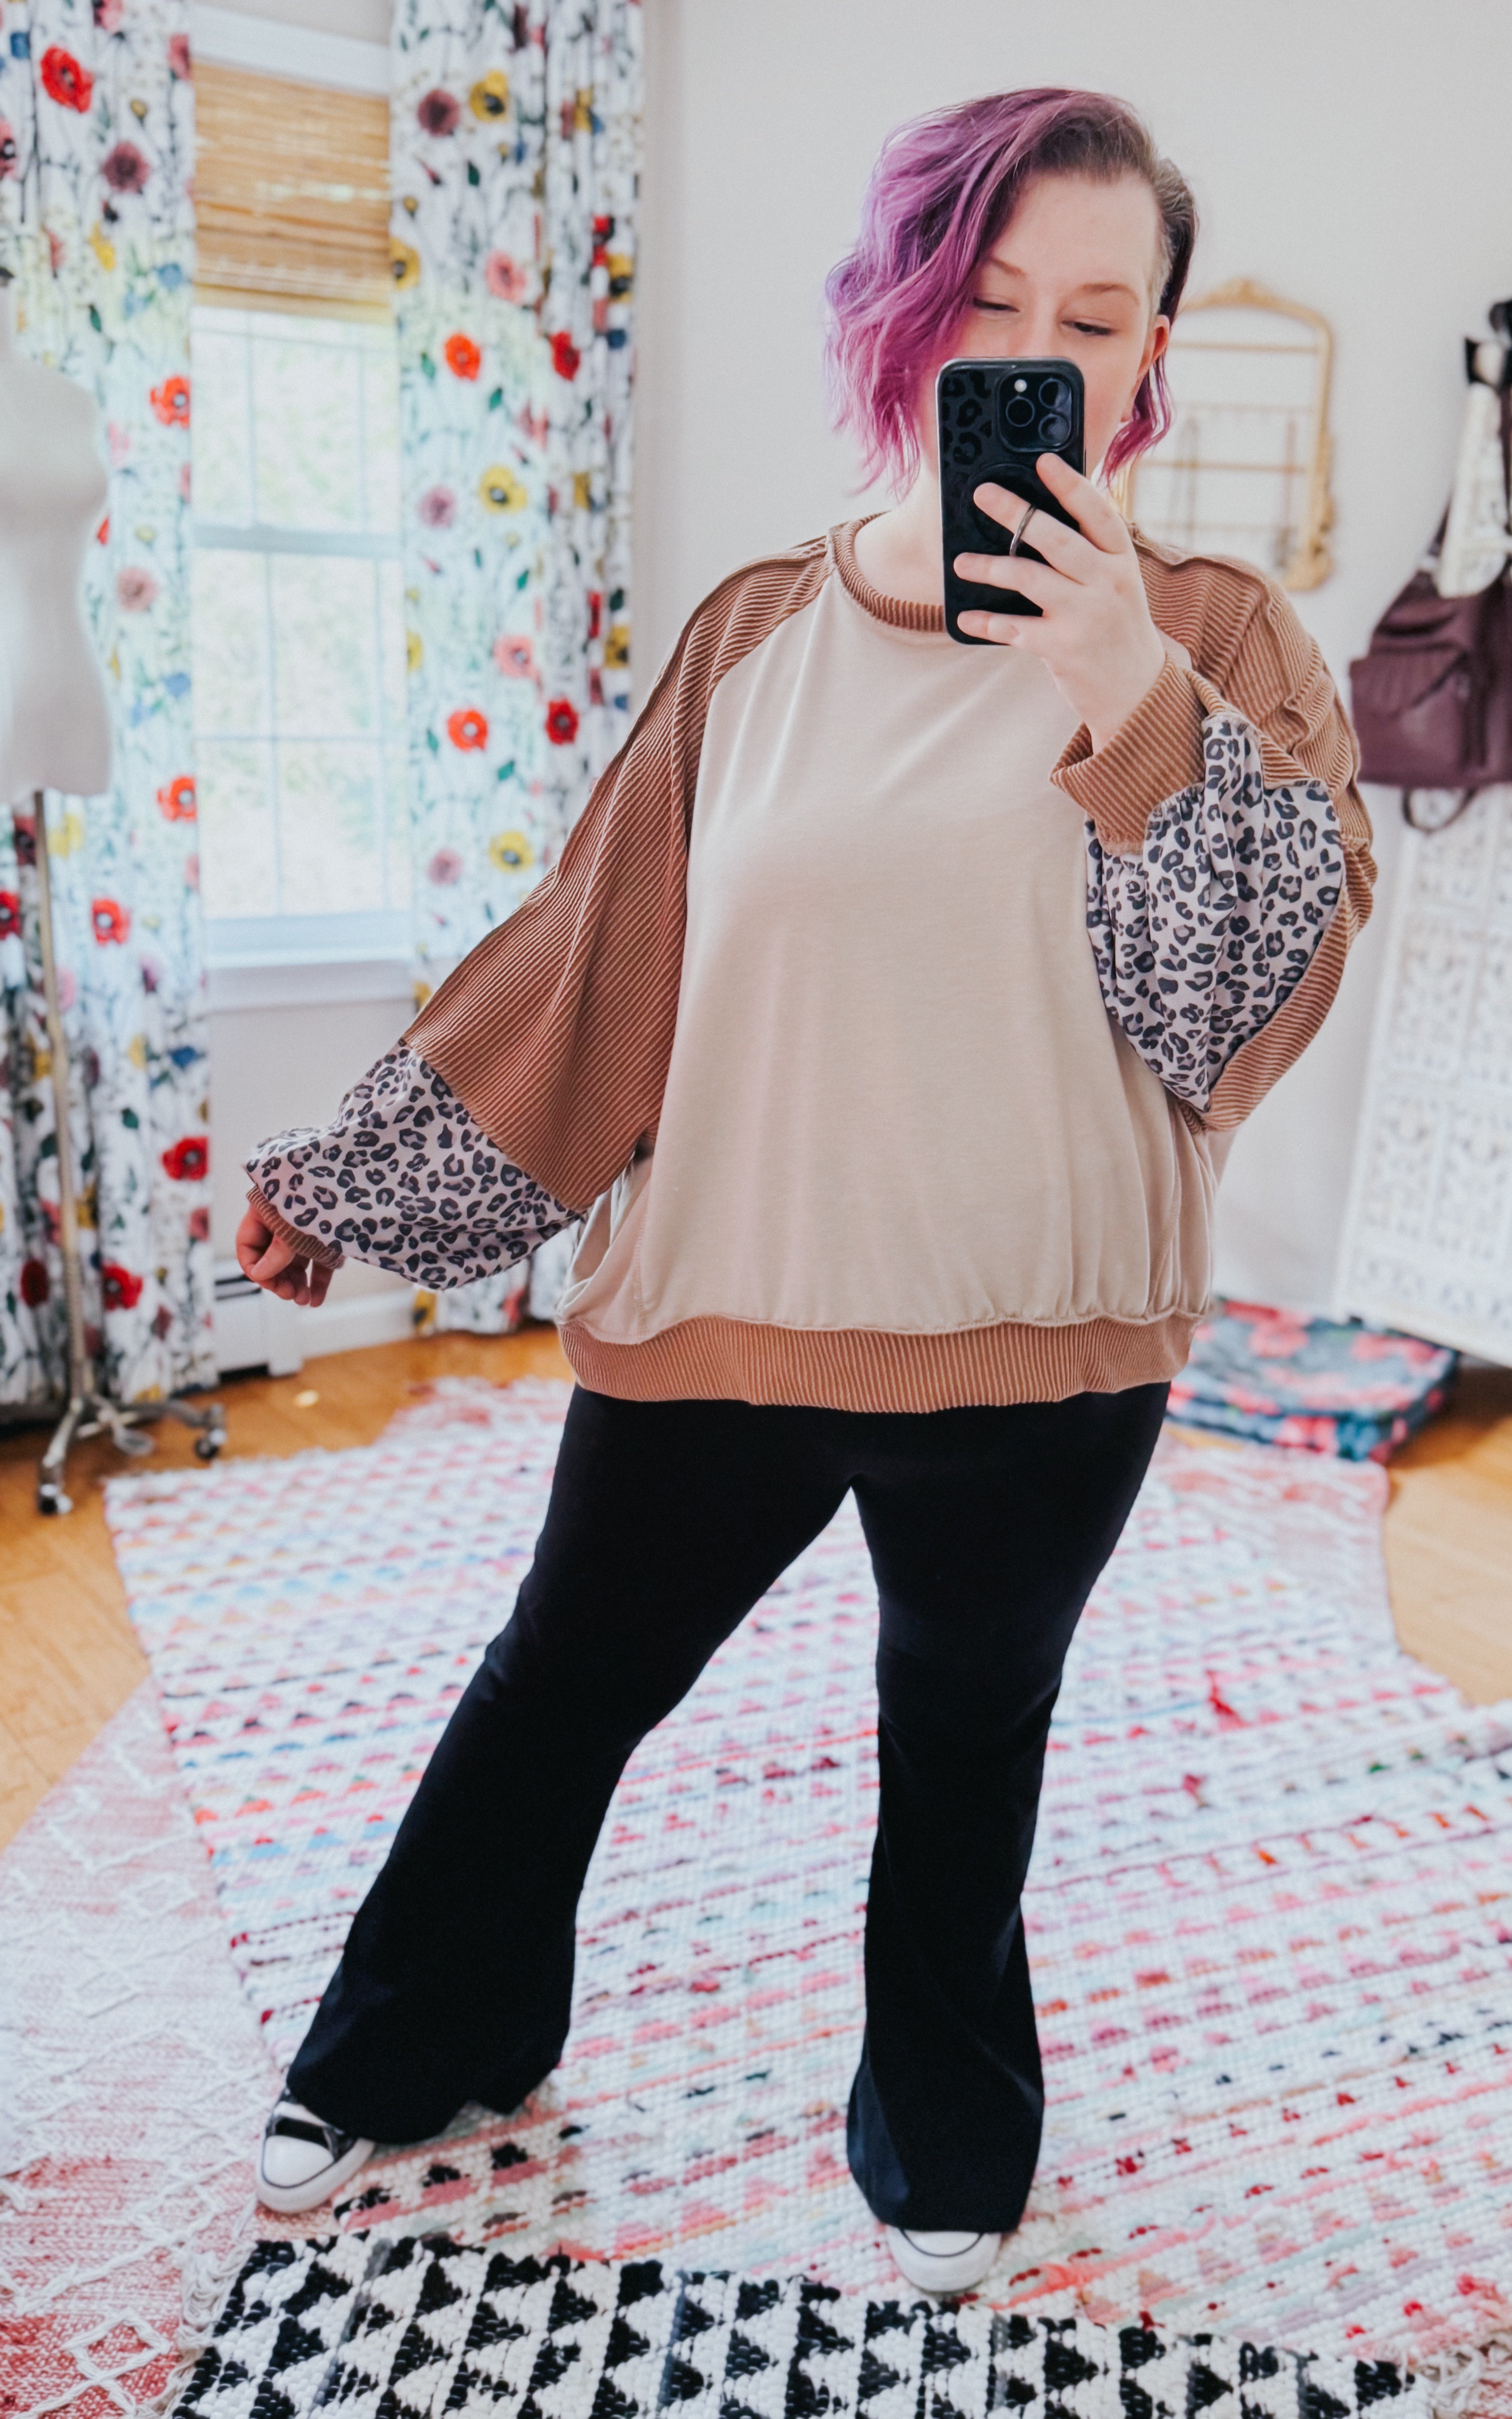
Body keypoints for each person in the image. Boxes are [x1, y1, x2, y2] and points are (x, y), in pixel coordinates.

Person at [236, 86, 1375, 2297]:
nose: (1034, 347)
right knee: (561, 1682)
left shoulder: (1223, 641)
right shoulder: (759, 630)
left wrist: (1119, 690)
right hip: (729, 1309)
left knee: (964, 1745)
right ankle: (418, 2041)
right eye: (991, 298)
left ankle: (944, 2132)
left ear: (1145, 363)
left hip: (1045, 1346)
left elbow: (1232, 1005)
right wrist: (362, 1175)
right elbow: (594, 964)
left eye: (1096, 313)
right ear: (904, 313)